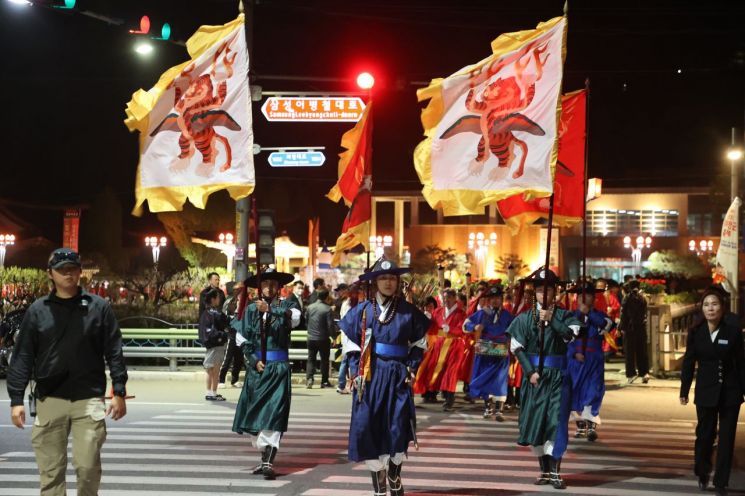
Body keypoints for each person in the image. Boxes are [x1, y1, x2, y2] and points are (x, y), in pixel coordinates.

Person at [7, 248, 128, 496]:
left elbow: (114, 350)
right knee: (51, 474)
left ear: (80, 272)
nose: (68, 274)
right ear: (50, 274)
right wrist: (16, 399)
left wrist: (119, 391)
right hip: (50, 399)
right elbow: (23, 356)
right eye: (62, 270)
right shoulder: (38, 310)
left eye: (72, 269)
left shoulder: (98, 307)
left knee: (88, 468)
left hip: (89, 398)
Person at [339, 258, 429, 496]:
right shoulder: (363, 311)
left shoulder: (409, 312)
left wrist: (411, 367)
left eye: (392, 278)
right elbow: (350, 345)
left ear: (398, 281)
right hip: (369, 376)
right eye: (383, 278)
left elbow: (420, 343)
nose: (388, 283)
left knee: (397, 427)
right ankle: (379, 487)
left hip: (398, 376)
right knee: (367, 427)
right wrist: (355, 371)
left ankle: (394, 474)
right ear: (375, 282)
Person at [507, 268, 581, 489]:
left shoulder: (565, 315)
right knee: (536, 423)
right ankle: (545, 470)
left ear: (555, 292)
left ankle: (556, 471)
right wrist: (530, 372)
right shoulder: (523, 319)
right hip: (535, 378)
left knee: (556, 423)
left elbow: (570, 336)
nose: (544, 295)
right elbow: (517, 348)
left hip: (558, 377)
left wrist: (552, 321)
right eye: (540, 291)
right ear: (535, 293)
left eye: (548, 291)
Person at [232, 268, 300, 480]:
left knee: (274, 414)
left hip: (278, 367)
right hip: (258, 368)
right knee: (256, 418)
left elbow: (295, 319)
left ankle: (269, 461)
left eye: (273, 284)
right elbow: (241, 338)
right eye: (265, 284)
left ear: (279, 287)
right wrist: (252, 360)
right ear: (259, 287)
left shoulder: (288, 305)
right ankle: (264, 460)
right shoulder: (251, 309)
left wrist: (270, 309)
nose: (269, 287)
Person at [680, 288, 745, 495]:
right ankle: (702, 471)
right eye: (707, 304)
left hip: (730, 393)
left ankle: (720, 482)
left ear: (722, 307)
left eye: (715, 304)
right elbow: (689, 362)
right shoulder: (695, 332)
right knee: (705, 436)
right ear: (702, 308)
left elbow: (741, 363)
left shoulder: (733, 331)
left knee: (726, 439)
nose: (711, 308)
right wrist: (684, 389)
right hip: (706, 391)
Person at [566, 282, 613, 441]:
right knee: (575, 391)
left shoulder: (600, 316)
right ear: (576, 298)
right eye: (581, 296)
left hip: (594, 360)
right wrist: (574, 353)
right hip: (576, 361)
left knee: (594, 390)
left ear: (593, 298)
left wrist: (589, 314)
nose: (584, 298)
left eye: (588, 295)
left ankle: (591, 424)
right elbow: (564, 339)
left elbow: (608, 325)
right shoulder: (570, 317)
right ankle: (580, 425)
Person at [463, 286, 514, 421]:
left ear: (501, 300)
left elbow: (516, 330)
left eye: (498, 298)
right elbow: (466, 323)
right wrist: (475, 327)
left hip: (501, 352)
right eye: (492, 299)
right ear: (489, 300)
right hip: (485, 351)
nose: (495, 301)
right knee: (486, 379)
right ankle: (488, 407)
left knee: (500, 380)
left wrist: (510, 342)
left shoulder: (508, 315)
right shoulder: (482, 313)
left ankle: (499, 410)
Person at [413, 288, 467, 411]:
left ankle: (449, 399)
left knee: (451, 371)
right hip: (439, 344)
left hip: (454, 345)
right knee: (437, 370)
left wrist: (452, 330)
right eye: (444, 298)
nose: (446, 300)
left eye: (449, 298)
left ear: (454, 299)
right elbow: (432, 327)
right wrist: (425, 319)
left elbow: (463, 330)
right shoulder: (438, 312)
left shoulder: (461, 313)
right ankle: (438, 393)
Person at [200, 288, 229, 400]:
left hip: (210, 343)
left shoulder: (206, 312)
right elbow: (224, 325)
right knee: (215, 369)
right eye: (217, 297)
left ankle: (210, 392)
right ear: (213, 299)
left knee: (209, 369)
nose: (219, 299)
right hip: (217, 343)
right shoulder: (215, 314)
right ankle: (212, 392)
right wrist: (223, 334)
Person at [619, 279, 649, 383]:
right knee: (642, 351)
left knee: (629, 352)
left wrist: (621, 328)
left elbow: (623, 315)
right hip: (641, 327)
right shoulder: (643, 298)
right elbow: (645, 312)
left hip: (629, 328)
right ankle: (644, 373)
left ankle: (631, 374)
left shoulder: (626, 298)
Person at [305, 289, 336, 388]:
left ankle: (309, 379)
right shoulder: (327, 309)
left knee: (311, 359)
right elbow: (330, 325)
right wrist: (333, 337)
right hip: (323, 338)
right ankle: (324, 381)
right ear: (327, 297)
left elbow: (306, 321)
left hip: (311, 338)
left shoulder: (310, 307)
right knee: (324, 360)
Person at [218, 281, 244, 389]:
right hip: (231, 332)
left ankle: (235, 379)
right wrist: (226, 329)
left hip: (241, 332)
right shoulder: (229, 301)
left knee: (239, 358)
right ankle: (221, 379)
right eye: (239, 289)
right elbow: (223, 316)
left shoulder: (246, 301)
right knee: (228, 357)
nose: (242, 291)